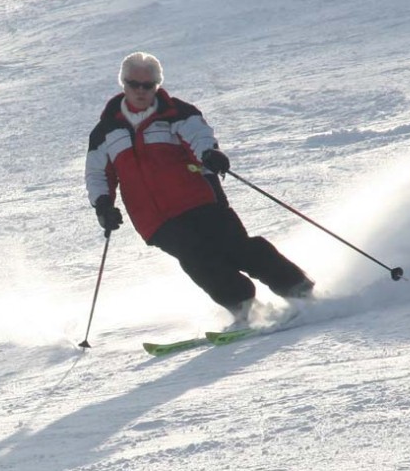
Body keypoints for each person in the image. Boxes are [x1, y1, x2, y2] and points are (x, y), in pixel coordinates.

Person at [85, 52, 313, 329]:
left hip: (200, 200)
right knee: (197, 260)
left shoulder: (176, 113)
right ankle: (244, 306)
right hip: (154, 219)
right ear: (124, 83)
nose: (141, 91)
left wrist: (209, 153)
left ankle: (298, 290)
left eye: (148, 85)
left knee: (237, 248)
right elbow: (97, 173)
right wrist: (103, 205)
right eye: (134, 84)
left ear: (157, 85)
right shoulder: (105, 131)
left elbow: (198, 135)